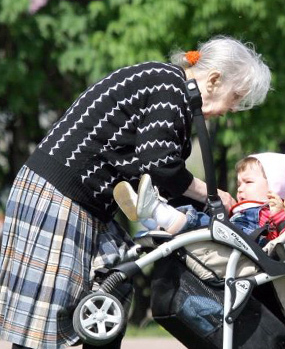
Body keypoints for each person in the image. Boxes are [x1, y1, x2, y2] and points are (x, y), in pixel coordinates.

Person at [0, 36, 271, 349]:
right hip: (60, 195)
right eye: (235, 97)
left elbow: (156, 171)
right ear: (214, 80)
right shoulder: (169, 87)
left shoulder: (168, 89)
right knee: (46, 314)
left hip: (84, 202)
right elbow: (161, 165)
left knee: (113, 283)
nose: (232, 109)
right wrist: (212, 195)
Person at [115, 152, 285, 246]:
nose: (240, 189)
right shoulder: (243, 208)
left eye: (248, 182)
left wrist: (277, 215)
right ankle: (151, 218)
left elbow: (281, 242)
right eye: (239, 183)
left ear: (274, 188)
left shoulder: (275, 210)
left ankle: (157, 214)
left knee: (204, 222)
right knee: (206, 219)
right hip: (232, 240)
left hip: (246, 244)